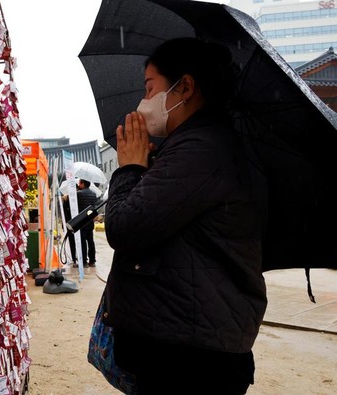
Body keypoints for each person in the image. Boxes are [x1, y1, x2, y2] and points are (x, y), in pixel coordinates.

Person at [102, 37, 267, 394]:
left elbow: (125, 227)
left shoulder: (201, 148)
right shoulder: (198, 145)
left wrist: (129, 168)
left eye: (150, 89)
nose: (144, 103)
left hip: (188, 360)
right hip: (188, 346)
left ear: (186, 87)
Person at [62, 178, 99, 267]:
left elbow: (71, 205)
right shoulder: (93, 194)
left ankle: (84, 262)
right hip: (90, 220)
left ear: (82, 184)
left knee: (82, 241)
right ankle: (92, 260)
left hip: (81, 221)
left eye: (79, 183)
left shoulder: (78, 194)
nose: (78, 185)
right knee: (90, 241)